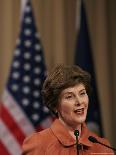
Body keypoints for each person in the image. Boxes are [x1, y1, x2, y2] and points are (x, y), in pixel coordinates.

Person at [22, 64, 114, 155]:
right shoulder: (38, 144)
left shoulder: (103, 147)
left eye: (82, 93)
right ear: (55, 106)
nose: (79, 101)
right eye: (69, 97)